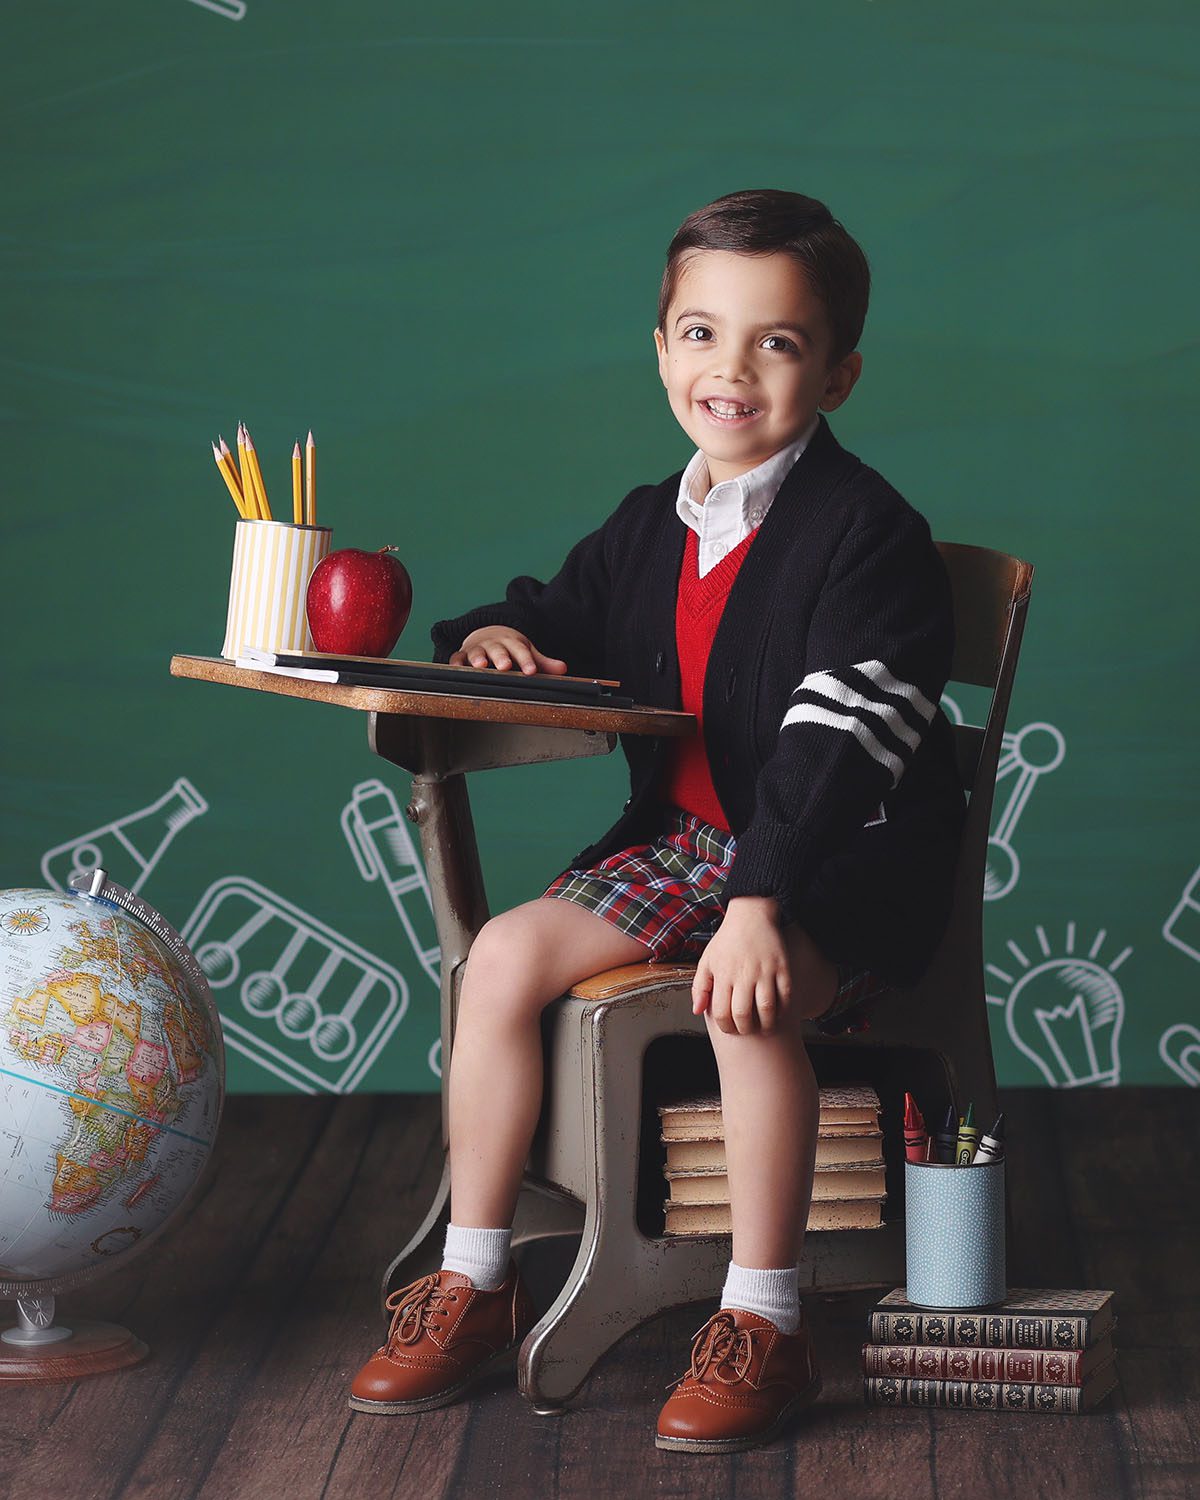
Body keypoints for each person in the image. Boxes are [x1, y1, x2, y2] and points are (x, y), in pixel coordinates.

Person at [349, 188, 967, 1453]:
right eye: (699, 332)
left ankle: (765, 1316)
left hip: (834, 860)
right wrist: (491, 635)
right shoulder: (653, 525)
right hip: (692, 851)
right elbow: (552, 609)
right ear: (661, 348)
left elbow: (834, 745)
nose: (729, 369)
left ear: (839, 373)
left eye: (776, 342)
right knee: (503, 960)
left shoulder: (867, 536)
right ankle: (475, 1276)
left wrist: (761, 903)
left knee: (739, 1004)